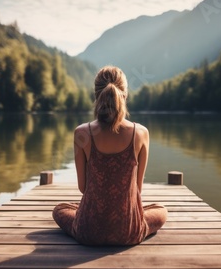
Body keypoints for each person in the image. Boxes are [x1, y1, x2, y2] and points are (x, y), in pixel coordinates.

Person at [52, 66, 167, 246]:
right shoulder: (141, 133)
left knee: (60, 209)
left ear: (96, 95)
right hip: (129, 233)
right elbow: (137, 190)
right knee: (161, 210)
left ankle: (87, 214)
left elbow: (83, 188)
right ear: (125, 95)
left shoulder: (81, 133)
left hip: (87, 232)